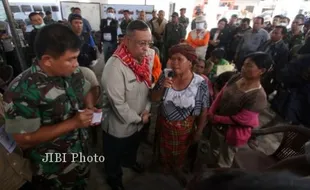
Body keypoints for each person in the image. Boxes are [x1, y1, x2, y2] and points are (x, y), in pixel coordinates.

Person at [3, 24, 100, 189]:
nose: (76, 64)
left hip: (80, 156)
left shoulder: (72, 73)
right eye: (71, 59)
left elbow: (86, 89)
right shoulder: (22, 90)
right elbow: (22, 140)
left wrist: (90, 106)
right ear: (47, 60)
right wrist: (74, 123)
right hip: (52, 171)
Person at [101, 20, 154, 190]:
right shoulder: (114, 67)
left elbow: (147, 89)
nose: (146, 48)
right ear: (126, 41)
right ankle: (114, 178)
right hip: (119, 126)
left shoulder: (146, 59)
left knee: (132, 148)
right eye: (141, 43)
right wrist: (139, 119)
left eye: (148, 43)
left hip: (140, 120)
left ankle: (129, 162)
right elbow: (118, 105)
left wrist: (146, 111)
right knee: (113, 155)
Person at [152, 43, 209, 184]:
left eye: (179, 59)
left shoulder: (199, 82)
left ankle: (176, 171)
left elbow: (203, 110)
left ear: (190, 62)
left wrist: (199, 131)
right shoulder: (166, 75)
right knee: (163, 152)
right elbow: (153, 98)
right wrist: (162, 87)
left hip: (184, 129)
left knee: (180, 154)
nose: (174, 63)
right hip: (163, 124)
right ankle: (165, 171)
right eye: (172, 59)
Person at [207, 52, 271, 168]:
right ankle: (210, 168)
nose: (243, 68)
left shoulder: (258, 96)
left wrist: (215, 118)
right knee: (213, 149)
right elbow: (221, 94)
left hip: (232, 133)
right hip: (217, 125)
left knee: (224, 161)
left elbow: (241, 119)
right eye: (244, 64)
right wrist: (211, 111)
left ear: (262, 71)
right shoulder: (237, 77)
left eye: (249, 66)